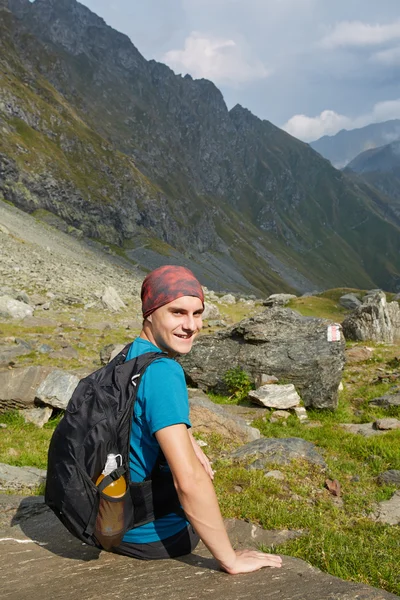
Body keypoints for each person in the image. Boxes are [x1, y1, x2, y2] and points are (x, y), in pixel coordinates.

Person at [113, 265, 282, 575]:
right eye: (178, 312)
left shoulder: (128, 356)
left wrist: (188, 438)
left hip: (111, 519)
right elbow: (188, 481)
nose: (191, 325)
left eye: (197, 313)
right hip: (149, 536)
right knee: (197, 510)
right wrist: (229, 558)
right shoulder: (164, 372)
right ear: (150, 313)